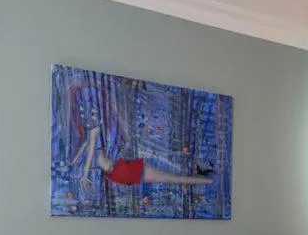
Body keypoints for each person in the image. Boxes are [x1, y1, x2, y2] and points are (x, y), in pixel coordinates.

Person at [67, 82, 214, 195]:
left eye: (95, 111)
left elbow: (90, 152)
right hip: (119, 171)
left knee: (172, 178)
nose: (92, 115)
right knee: (172, 178)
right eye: (90, 111)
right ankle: (205, 179)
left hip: (120, 171)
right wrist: (73, 162)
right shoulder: (93, 131)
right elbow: (85, 148)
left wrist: (84, 174)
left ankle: (206, 180)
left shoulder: (95, 130)